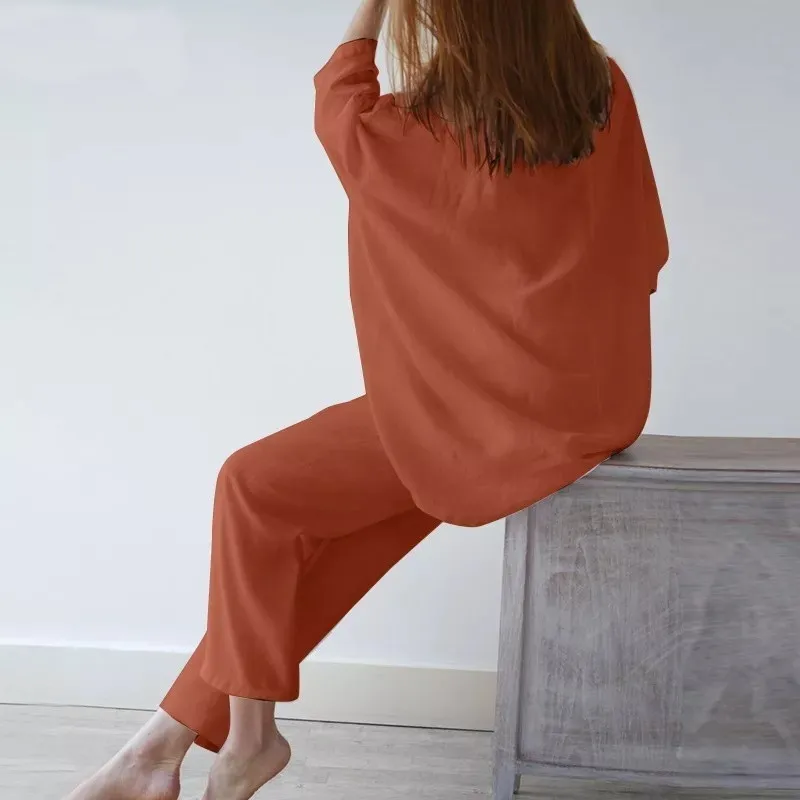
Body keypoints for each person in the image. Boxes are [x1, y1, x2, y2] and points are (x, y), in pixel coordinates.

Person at [65, 0, 668, 798]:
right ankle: (154, 752)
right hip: (594, 403)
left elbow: (339, 93)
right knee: (315, 559)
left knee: (254, 487)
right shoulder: (602, 92)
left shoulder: (416, 126)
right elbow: (646, 250)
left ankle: (247, 739)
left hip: (480, 416)